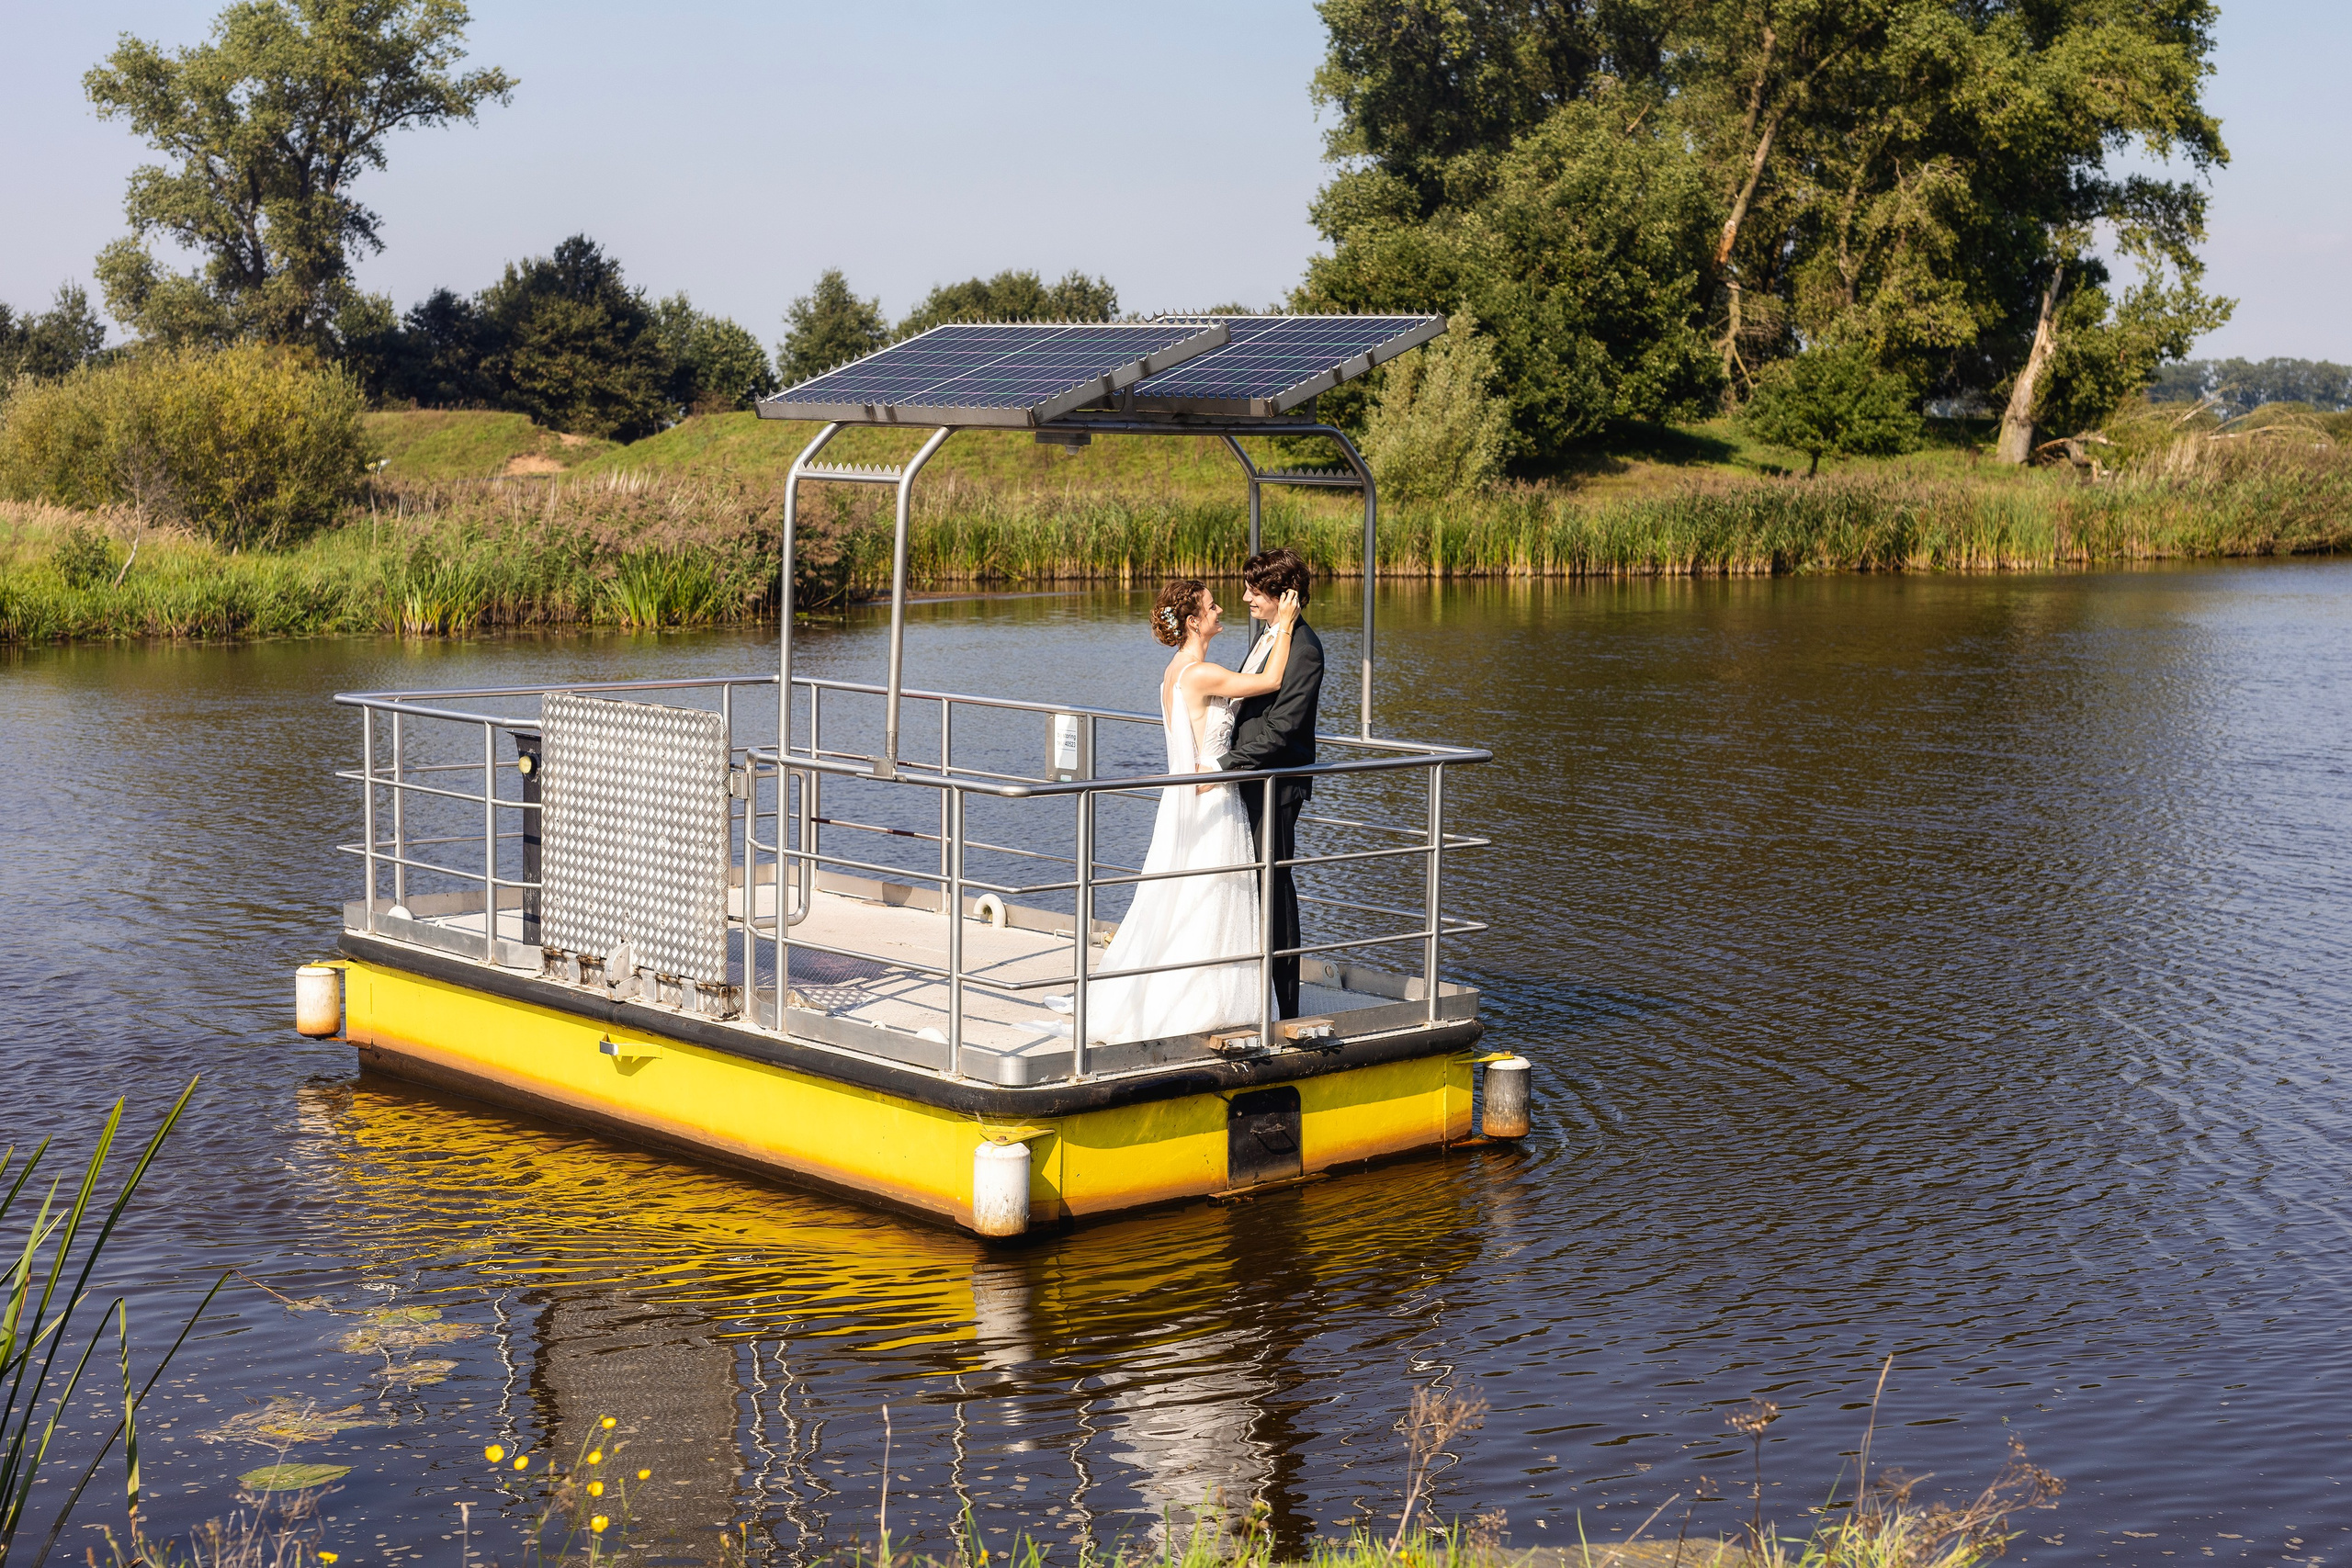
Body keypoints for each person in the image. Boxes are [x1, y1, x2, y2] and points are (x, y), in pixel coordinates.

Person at [1077, 576, 1303, 1045]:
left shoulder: (1175, 670)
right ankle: (1203, 999)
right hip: (1213, 800)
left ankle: (1198, 990)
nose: (1221, 610)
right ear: (1195, 621)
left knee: (1194, 896)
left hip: (1194, 795)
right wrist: (1284, 625)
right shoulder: (1199, 673)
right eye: (1213, 606)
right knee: (1213, 896)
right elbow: (1273, 681)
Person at [1216, 548, 1324, 1020]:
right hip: (1251, 779)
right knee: (1250, 882)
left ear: (1285, 596)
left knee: (1274, 886)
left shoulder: (1305, 649)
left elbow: (1282, 728)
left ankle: (1287, 1002)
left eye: (1254, 592)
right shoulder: (1270, 638)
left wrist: (1227, 763)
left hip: (1277, 785)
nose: (1244, 599)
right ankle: (1250, 988)